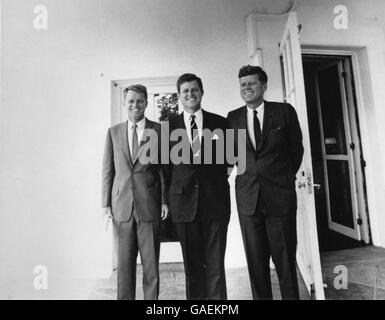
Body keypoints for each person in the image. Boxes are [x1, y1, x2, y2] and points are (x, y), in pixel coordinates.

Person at [227, 65, 304, 300]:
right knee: (256, 262)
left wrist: (282, 179)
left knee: (285, 260)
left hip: (280, 199)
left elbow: (296, 151)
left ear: (264, 85)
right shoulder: (233, 117)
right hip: (248, 200)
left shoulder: (284, 112)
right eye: (243, 84)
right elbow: (230, 156)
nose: (246, 88)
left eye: (251, 83)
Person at [165, 73, 230, 300]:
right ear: (179, 96)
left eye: (194, 90)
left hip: (216, 203)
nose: (190, 94)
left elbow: (230, 161)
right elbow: (165, 170)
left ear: (202, 92)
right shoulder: (167, 127)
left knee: (215, 264)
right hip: (183, 205)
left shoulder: (221, 123)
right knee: (192, 267)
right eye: (185, 91)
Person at [101, 84, 169, 300]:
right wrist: (105, 205)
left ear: (146, 103)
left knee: (151, 268)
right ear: (124, 103)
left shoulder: (159, 131)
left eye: (139, 101)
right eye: (131, 101)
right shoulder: (113, 133)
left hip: (149, 206)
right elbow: (107, 170)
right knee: (124, 267)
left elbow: (163, 170)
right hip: (122, 208)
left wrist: (165, 201)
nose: (135, 105)